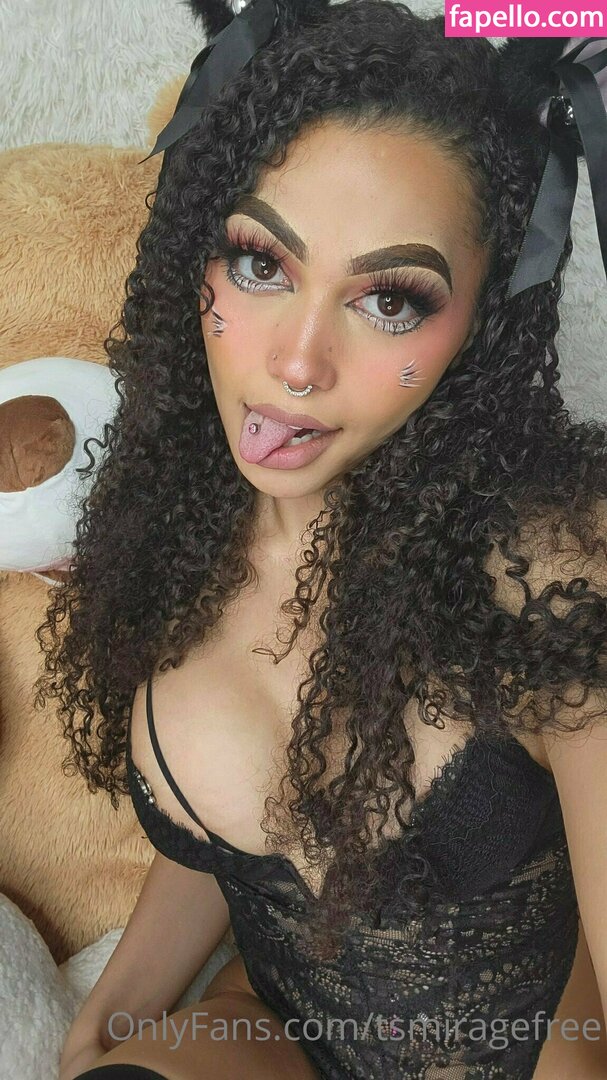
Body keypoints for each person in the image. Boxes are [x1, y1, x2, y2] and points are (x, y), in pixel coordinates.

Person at [35, 2, 607, 1077]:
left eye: (389, 301)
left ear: (481, 320)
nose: (296, 362)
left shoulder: (549, 568)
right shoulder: (169, 520)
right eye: (261, 263)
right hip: (266, 1033)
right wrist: (116, 1012)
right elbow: (248, 837)